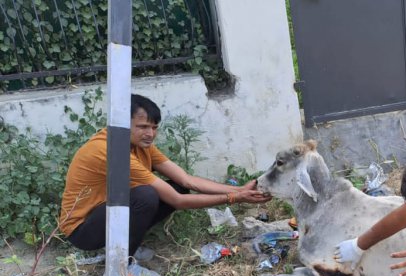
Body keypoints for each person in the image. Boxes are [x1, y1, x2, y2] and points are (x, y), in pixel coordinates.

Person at [59, 94, 271, 264]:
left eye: (154, 127)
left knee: (176, 187)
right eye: (143, 127)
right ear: (122, 124)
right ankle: (121, 267)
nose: (150, 134)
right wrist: (235, 198)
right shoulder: (111, 151)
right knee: (146, 196)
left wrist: (239, 190)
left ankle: (125, 246)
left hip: (107, 215)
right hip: (82, 230)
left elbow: (186, 180)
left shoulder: (139, 145)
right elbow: (177, 202)